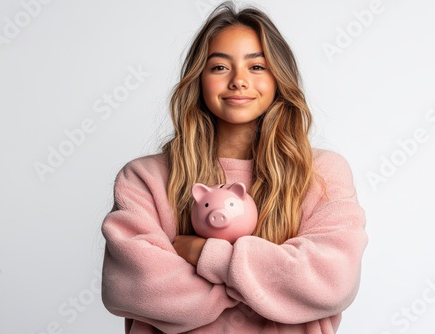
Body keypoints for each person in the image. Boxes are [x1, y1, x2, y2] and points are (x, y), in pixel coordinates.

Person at [101, 2, 367, 333]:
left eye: (256, 67)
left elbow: (331, 280)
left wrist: (204, 254)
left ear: (278, 78)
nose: (239, 81)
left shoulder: (323, 174)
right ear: (198, 79)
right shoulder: (144, 179)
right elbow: (133, 288)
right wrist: (270, 286)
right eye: (219, 68)